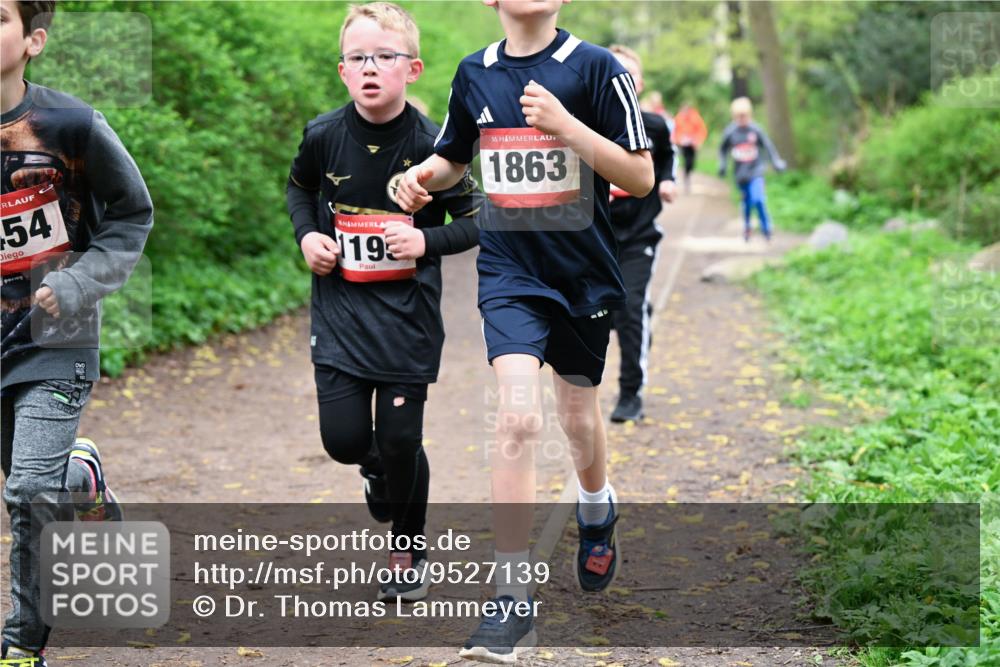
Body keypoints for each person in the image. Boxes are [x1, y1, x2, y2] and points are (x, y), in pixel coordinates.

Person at [396, 0, 654, 661]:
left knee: (577, 417)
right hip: (510, 272)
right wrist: (421, 178)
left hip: (583, 275)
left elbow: (638, 175)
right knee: (516, 417)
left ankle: (595, 504)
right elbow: (454, 158)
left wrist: (566, 125)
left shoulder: (596, 69)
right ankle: (511, 598)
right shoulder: (474, 72)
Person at [285, 2, 482, 603]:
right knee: (345, 441)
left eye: (384, 56)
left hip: (407, 320)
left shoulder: (435, 148)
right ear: (343, 70)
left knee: (400, 439)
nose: (370, 68)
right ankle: (377, 470)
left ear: (412, 69)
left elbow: (478, 220)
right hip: (340, 313)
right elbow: (299, 189)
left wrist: (425, 241)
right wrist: (307, 237)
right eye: (358, 58)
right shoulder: (324, 135)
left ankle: (408, 549)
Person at [1, 1, 155, 663]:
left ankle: (21, 643)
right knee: (33, 477)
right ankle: (82, 478)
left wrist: (77, 282)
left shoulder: (71, 124)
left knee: (27, 494)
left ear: (32, 40)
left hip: (54, 338)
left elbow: (131, 214)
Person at [606, 45, 677, 424]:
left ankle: (630, 393)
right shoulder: (587, 125)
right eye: (613, 73)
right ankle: (637, 313)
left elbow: (667, 156)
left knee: (630, 310)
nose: (620, 81)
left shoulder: (654, 126)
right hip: (596, 237)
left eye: (628, 75)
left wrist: (666, 181)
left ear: (640, 84)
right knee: (603, 313)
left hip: (639, 235)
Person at [718, 96, 786, 242]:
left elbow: (768, 146)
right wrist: (722, 165)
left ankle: (766, 228)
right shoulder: (731, 131)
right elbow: (722, 149)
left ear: (749, 114)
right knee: (747, 203)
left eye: (744, 116)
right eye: (739, 116)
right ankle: (747, 227)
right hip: (740, 174)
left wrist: (776, 162)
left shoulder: (756, 130)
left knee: (758, 199)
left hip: (756, 171)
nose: (742, 119)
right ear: (734, 116)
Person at [672, 102, 707, 194]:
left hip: (693, 144)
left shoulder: (695, 117)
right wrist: (679, 140)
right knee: (686, 160)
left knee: (691, 162)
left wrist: (697, 141)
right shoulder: (678, 118)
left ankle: (688, 173)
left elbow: (701, 130)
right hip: (683, 145)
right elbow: (675, 131)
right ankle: (686, 176)